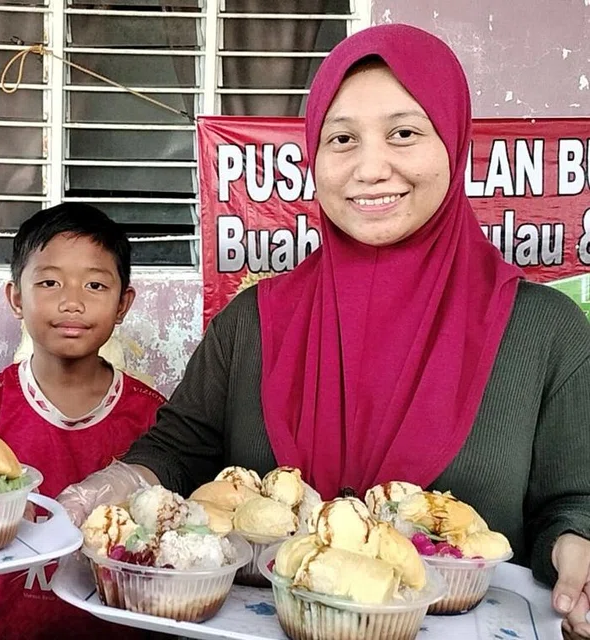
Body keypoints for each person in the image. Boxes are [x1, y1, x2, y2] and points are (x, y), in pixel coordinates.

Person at [57, 23, 590, 638]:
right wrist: (113, 488)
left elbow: (572, 501)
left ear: (453, 142)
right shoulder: (252, 324)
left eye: (404, 133)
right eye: (342, 139)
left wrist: (577, 544)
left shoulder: (545, 332)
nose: (371, 168)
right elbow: (177, 452)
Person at [0, 204, 166, 640]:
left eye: (95, 285)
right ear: (15, 298)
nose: (72, 302)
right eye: (49, 282)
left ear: (123, 303)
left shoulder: (155, 419)